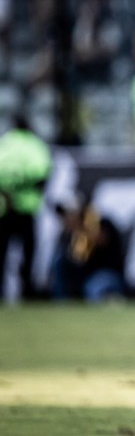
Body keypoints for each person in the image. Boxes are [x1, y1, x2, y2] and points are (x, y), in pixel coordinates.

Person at [0, 114, 53, 300]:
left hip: (4, 209)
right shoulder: (35, 146)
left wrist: (8, 192)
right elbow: (42, 178)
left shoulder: (4, 143)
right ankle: (27, 294)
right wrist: (23, 190)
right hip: (27, 210)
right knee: (28, 255)